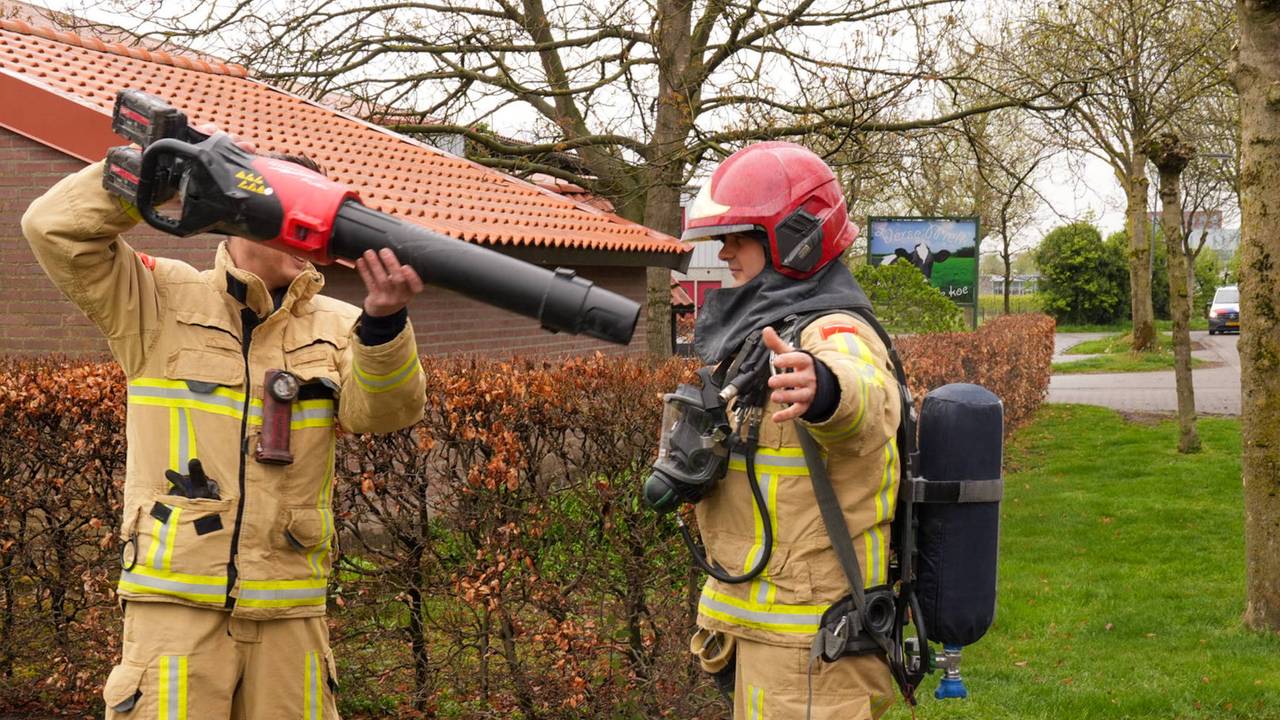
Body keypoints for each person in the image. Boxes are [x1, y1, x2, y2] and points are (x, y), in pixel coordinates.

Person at [21, 140, 427, 719]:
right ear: (245, 213)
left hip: (288, 609)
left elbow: (386, 413)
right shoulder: (157, 298)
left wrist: (385, 325)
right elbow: (53, 228)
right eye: (292, 214)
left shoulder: (345, 326)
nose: (305, 238)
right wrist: (165, 177)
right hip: (174, 605)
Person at [681, 142, 902, 719]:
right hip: (766, 635)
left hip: (815, 651)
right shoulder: (767, 330)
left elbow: (870, 400)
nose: (726, 252)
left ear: (795, 236)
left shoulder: (833, 330)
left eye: (740, 236)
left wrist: (824, 388)